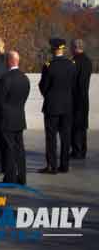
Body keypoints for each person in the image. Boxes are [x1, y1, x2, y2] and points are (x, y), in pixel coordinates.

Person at [38, 38, 77, 174]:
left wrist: (49, 96)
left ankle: (52, 166)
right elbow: (74, 86)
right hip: (67, 106)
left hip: (52, 106)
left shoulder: (49, 65)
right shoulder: (71, 64)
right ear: (63, 49)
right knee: (66, 136)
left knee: (51, 137)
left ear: (53, 49)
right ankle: (64, 165)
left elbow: (43, 86)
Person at [0, 51, 30, 185]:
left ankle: (10, 177)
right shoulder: (24, 78)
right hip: (20, 117)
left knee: (8, 148)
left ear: (9, 61)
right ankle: (22, 177)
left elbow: (0, 100)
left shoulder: (6, 78)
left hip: (7, 119)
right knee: (20, 148)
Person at [70, 38, 92, 160]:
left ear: (75, 48)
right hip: (84, 97)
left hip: (75, 97)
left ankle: (77, 151)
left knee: (76, 126)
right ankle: (82, 150)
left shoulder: (74, 61)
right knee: (83, 126)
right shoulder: (88, 61)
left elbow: (73, 81)